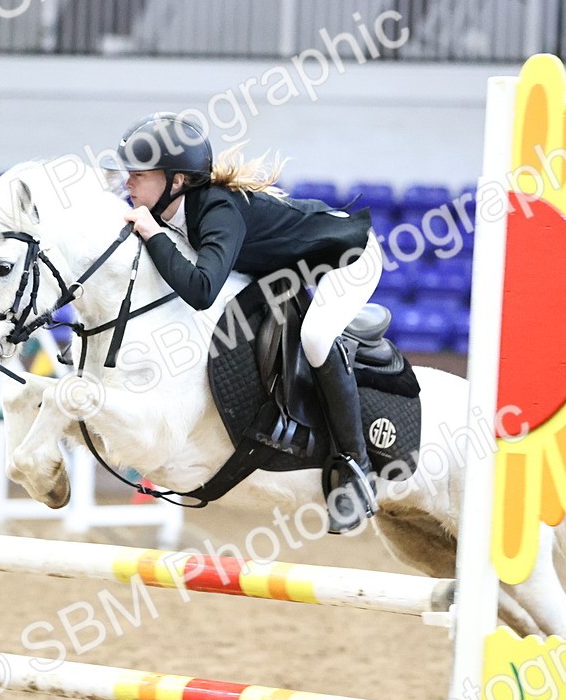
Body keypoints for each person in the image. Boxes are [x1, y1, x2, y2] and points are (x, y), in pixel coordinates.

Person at [103, 112, 385, 534]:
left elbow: (201, 291)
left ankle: (355, 469)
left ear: (176, 181)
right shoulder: (170, 213)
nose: (128, 183)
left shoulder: (217, 210)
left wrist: (152, 233)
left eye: (138, 175)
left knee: (315, 336)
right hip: (284, 269)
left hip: (349, 257)